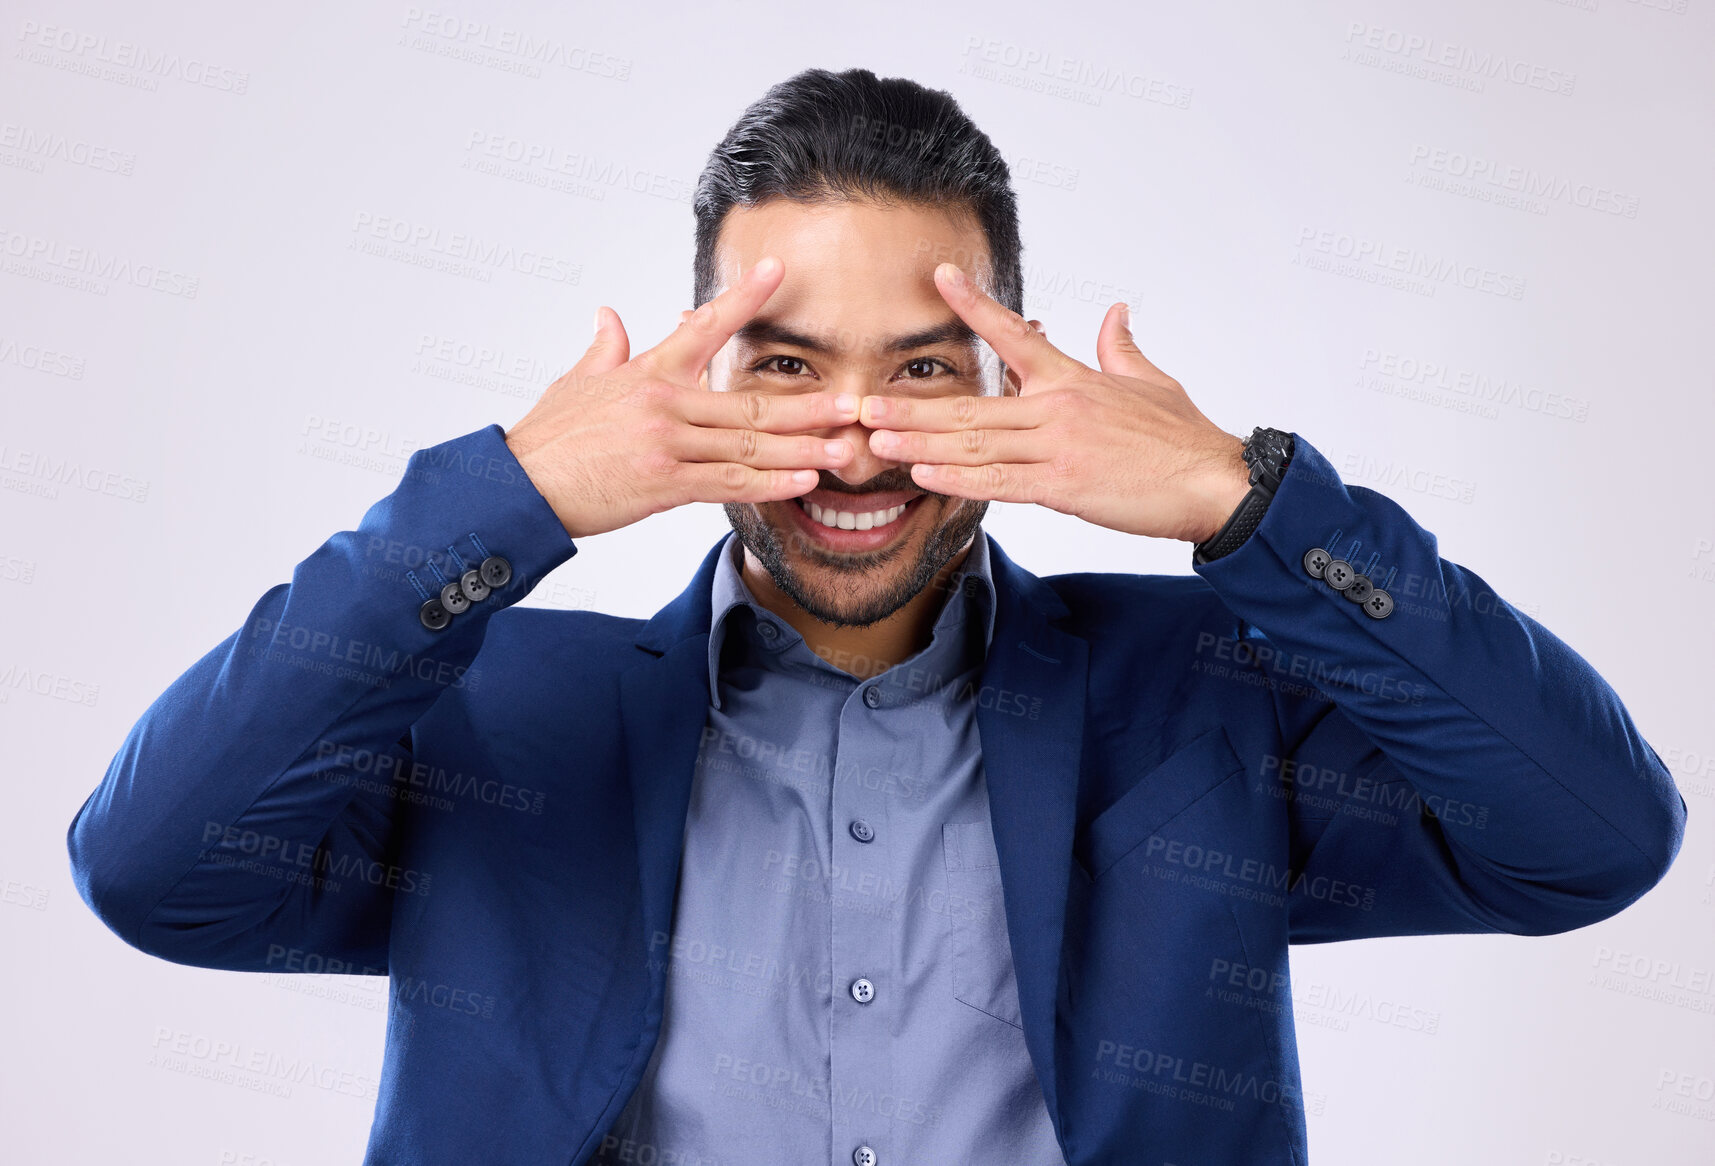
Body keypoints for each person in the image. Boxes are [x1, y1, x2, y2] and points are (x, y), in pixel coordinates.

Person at [66, 68, 1686, 1166]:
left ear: (1014, 378)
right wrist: (507, 496)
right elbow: (153, 871)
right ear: (695, 387)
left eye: (922, 370)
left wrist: (1247, 502)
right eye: (786, 368)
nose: (854, 438)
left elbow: (1592, 835)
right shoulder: (499, 708)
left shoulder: (1201, 701)